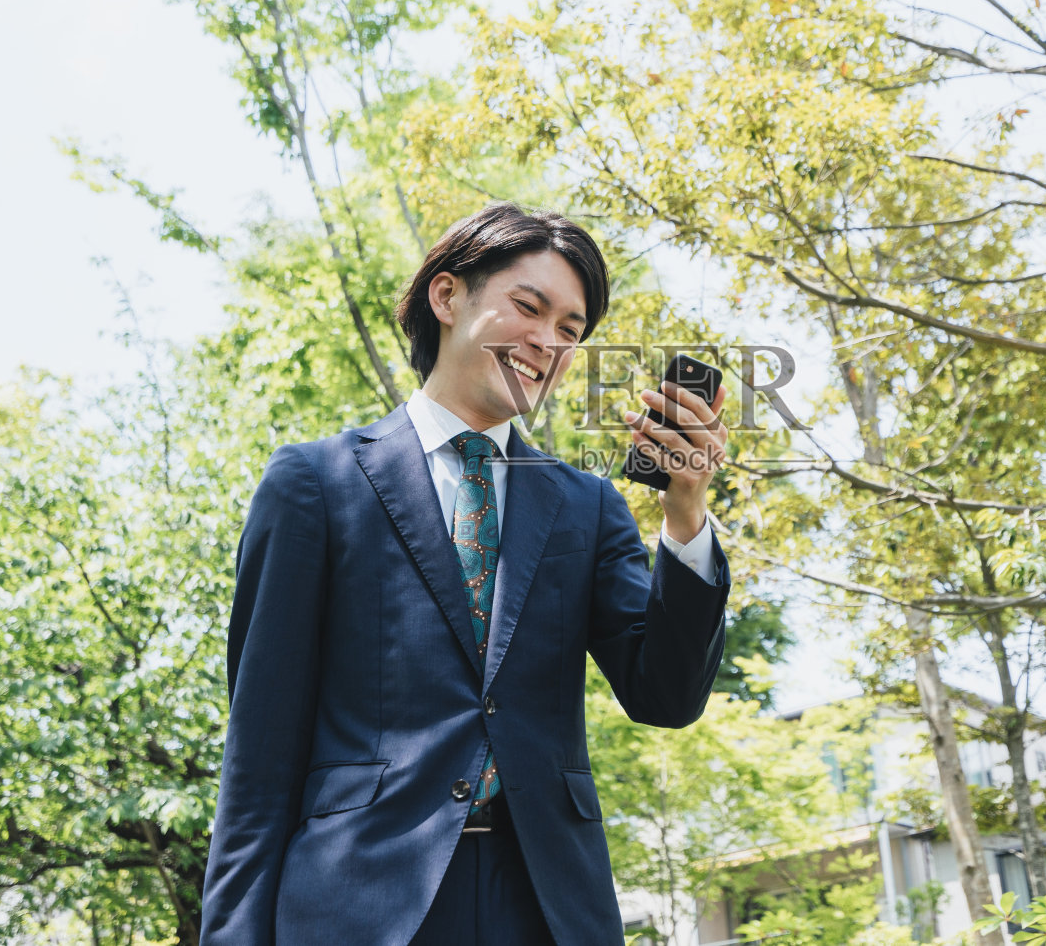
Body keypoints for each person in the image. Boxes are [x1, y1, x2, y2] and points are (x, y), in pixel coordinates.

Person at [198, 201, 733, 945]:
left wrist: (685, 512)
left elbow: (666, 695)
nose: (548, 342)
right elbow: (259, 754)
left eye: (571, 329)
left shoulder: (586, 506)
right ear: (447, 296)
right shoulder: (315, 484)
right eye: (529, 308)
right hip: (357, 905)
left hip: (547, 908)